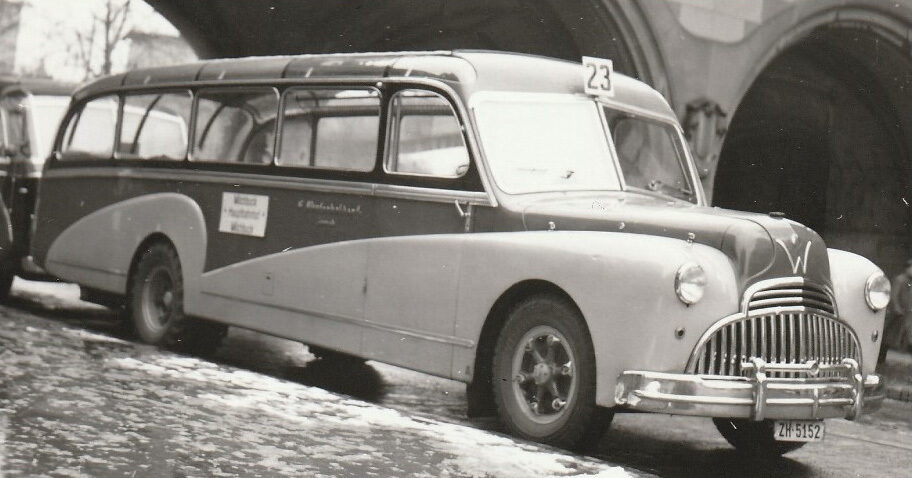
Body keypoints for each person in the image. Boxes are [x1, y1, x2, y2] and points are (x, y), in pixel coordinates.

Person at [881, 259, 912, 363]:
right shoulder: (900, 279)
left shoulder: (909, 282)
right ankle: (881, 356)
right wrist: (897, 308)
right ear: (907, 268)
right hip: (895, 313)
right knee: (888, 334)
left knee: (895, 335)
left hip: (903, 313)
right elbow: (894, 295)